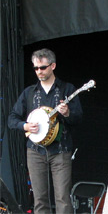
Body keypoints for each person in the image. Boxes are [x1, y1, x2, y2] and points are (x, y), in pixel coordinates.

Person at [8, 48, 83, 214]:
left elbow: (78, 119)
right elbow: (12, 119)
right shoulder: (29, 92)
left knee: (63, 198)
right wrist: (25, 126)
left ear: (53, 66)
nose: (39, 72)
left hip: (60, 150)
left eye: (42, 67)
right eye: (36, 68)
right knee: (40, 199)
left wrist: (68, 113)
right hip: (35, 151)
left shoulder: (67, 89)